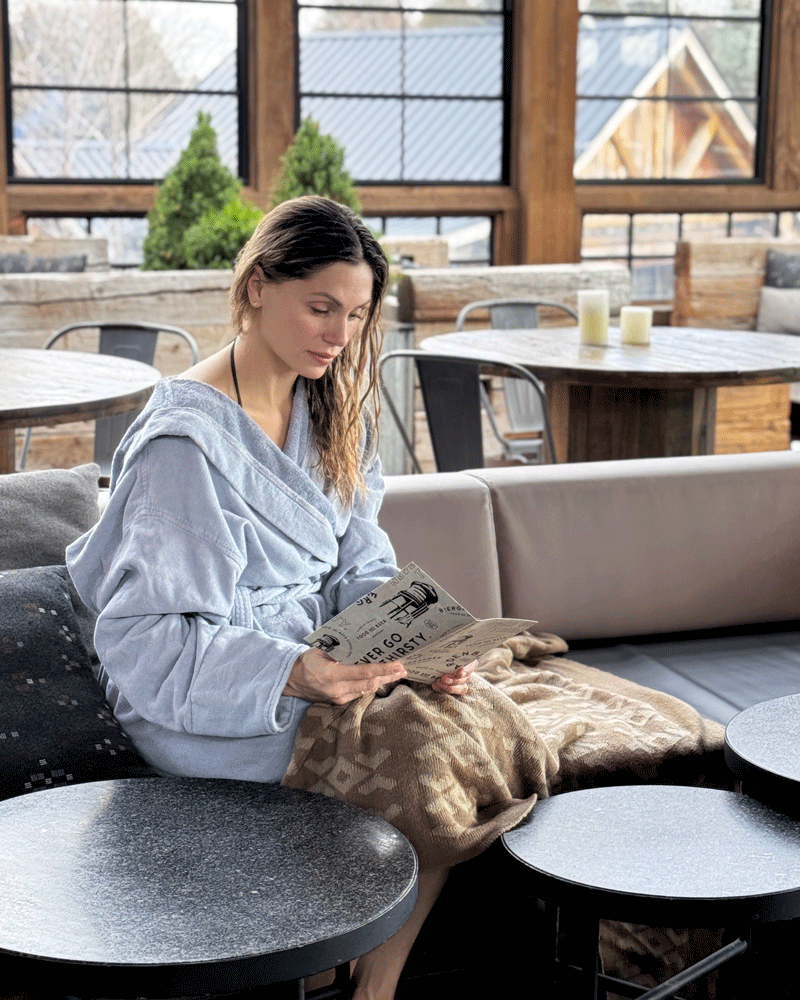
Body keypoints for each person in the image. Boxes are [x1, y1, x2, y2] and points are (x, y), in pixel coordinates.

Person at [66, 195, 475, 1000]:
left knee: (474, 721)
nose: (338, 335)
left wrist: (417, 640)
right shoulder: (184, 446)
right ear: (256, 287)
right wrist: (296, 671)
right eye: (320, 307)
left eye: (356, 315)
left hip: (320, 664)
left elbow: (359, 562)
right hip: (210, 703)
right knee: (434, 753)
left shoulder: (332, 413)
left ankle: (370, 986)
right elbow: (145, 644)